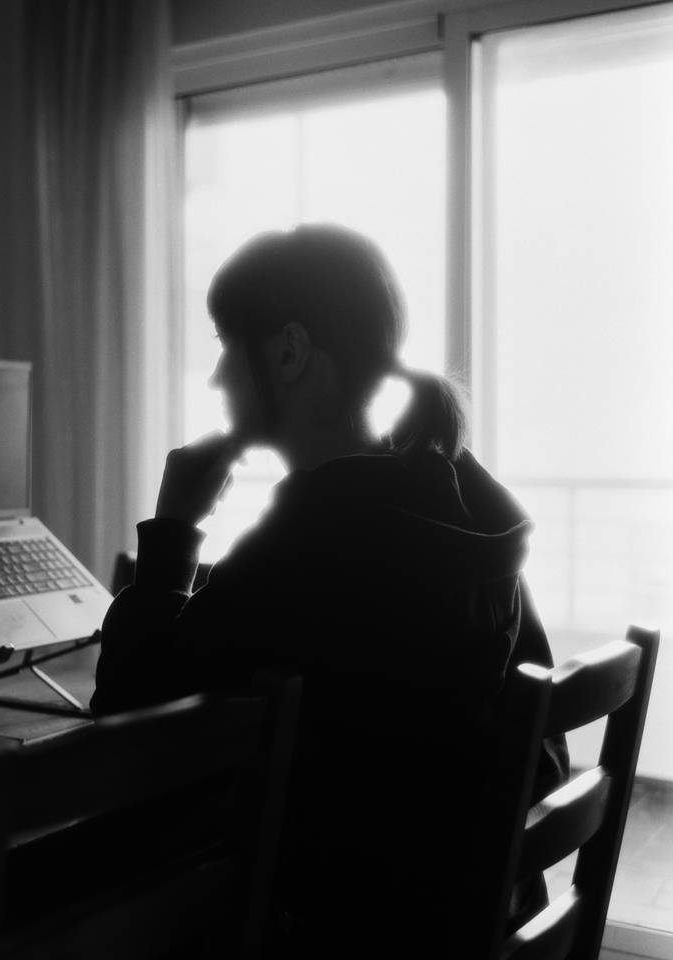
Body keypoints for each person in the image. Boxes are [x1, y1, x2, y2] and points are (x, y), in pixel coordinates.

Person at [90, 224, 568, 954]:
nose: (217, 378)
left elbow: (126, 719)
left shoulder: (309, 536)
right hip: (472, 923)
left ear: (288, 351)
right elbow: (544, 753)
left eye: (226, 346)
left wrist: (174, 530)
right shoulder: (461, 499)